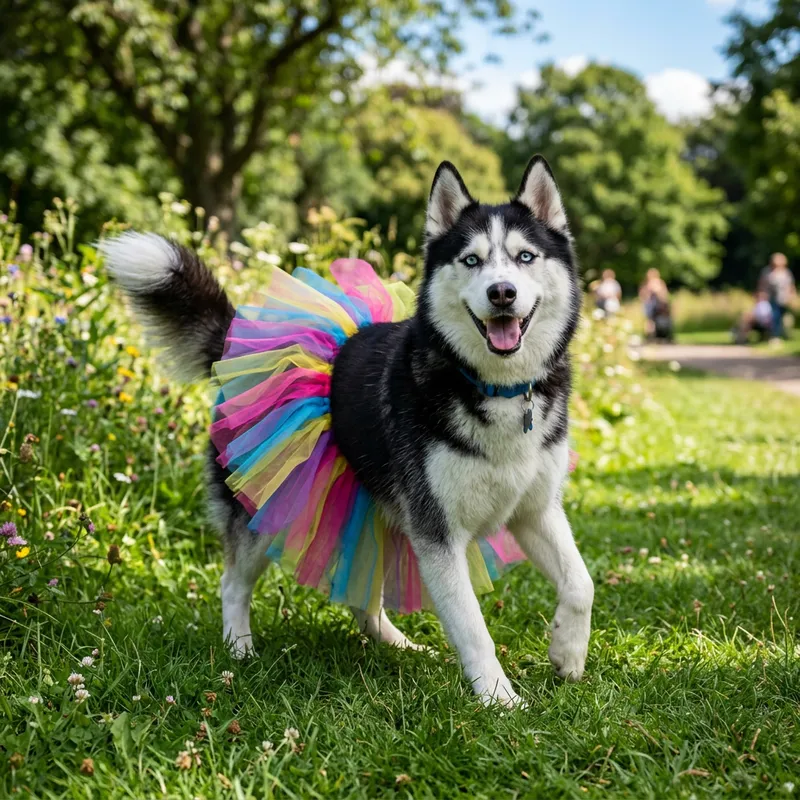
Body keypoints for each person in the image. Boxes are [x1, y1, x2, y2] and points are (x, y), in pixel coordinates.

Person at [758, 253, 796, 339]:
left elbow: (790, 285)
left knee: (783, 317)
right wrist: (761, 294)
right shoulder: (767, 271)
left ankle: (781, 334)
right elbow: (762, 285)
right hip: (770, 298)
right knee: (774, 316)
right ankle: (774, 335)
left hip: (784, 299)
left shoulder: (786, 272)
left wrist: (792, 295)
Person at [639, 268, 670, 339]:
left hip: (658, 305)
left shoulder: (658, 283)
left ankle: (655, 336)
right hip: (651, 305)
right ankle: (650, 336)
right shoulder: (647, 284)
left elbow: (664, 294)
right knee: (650, 321)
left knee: (654, 321)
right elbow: (642, 295)